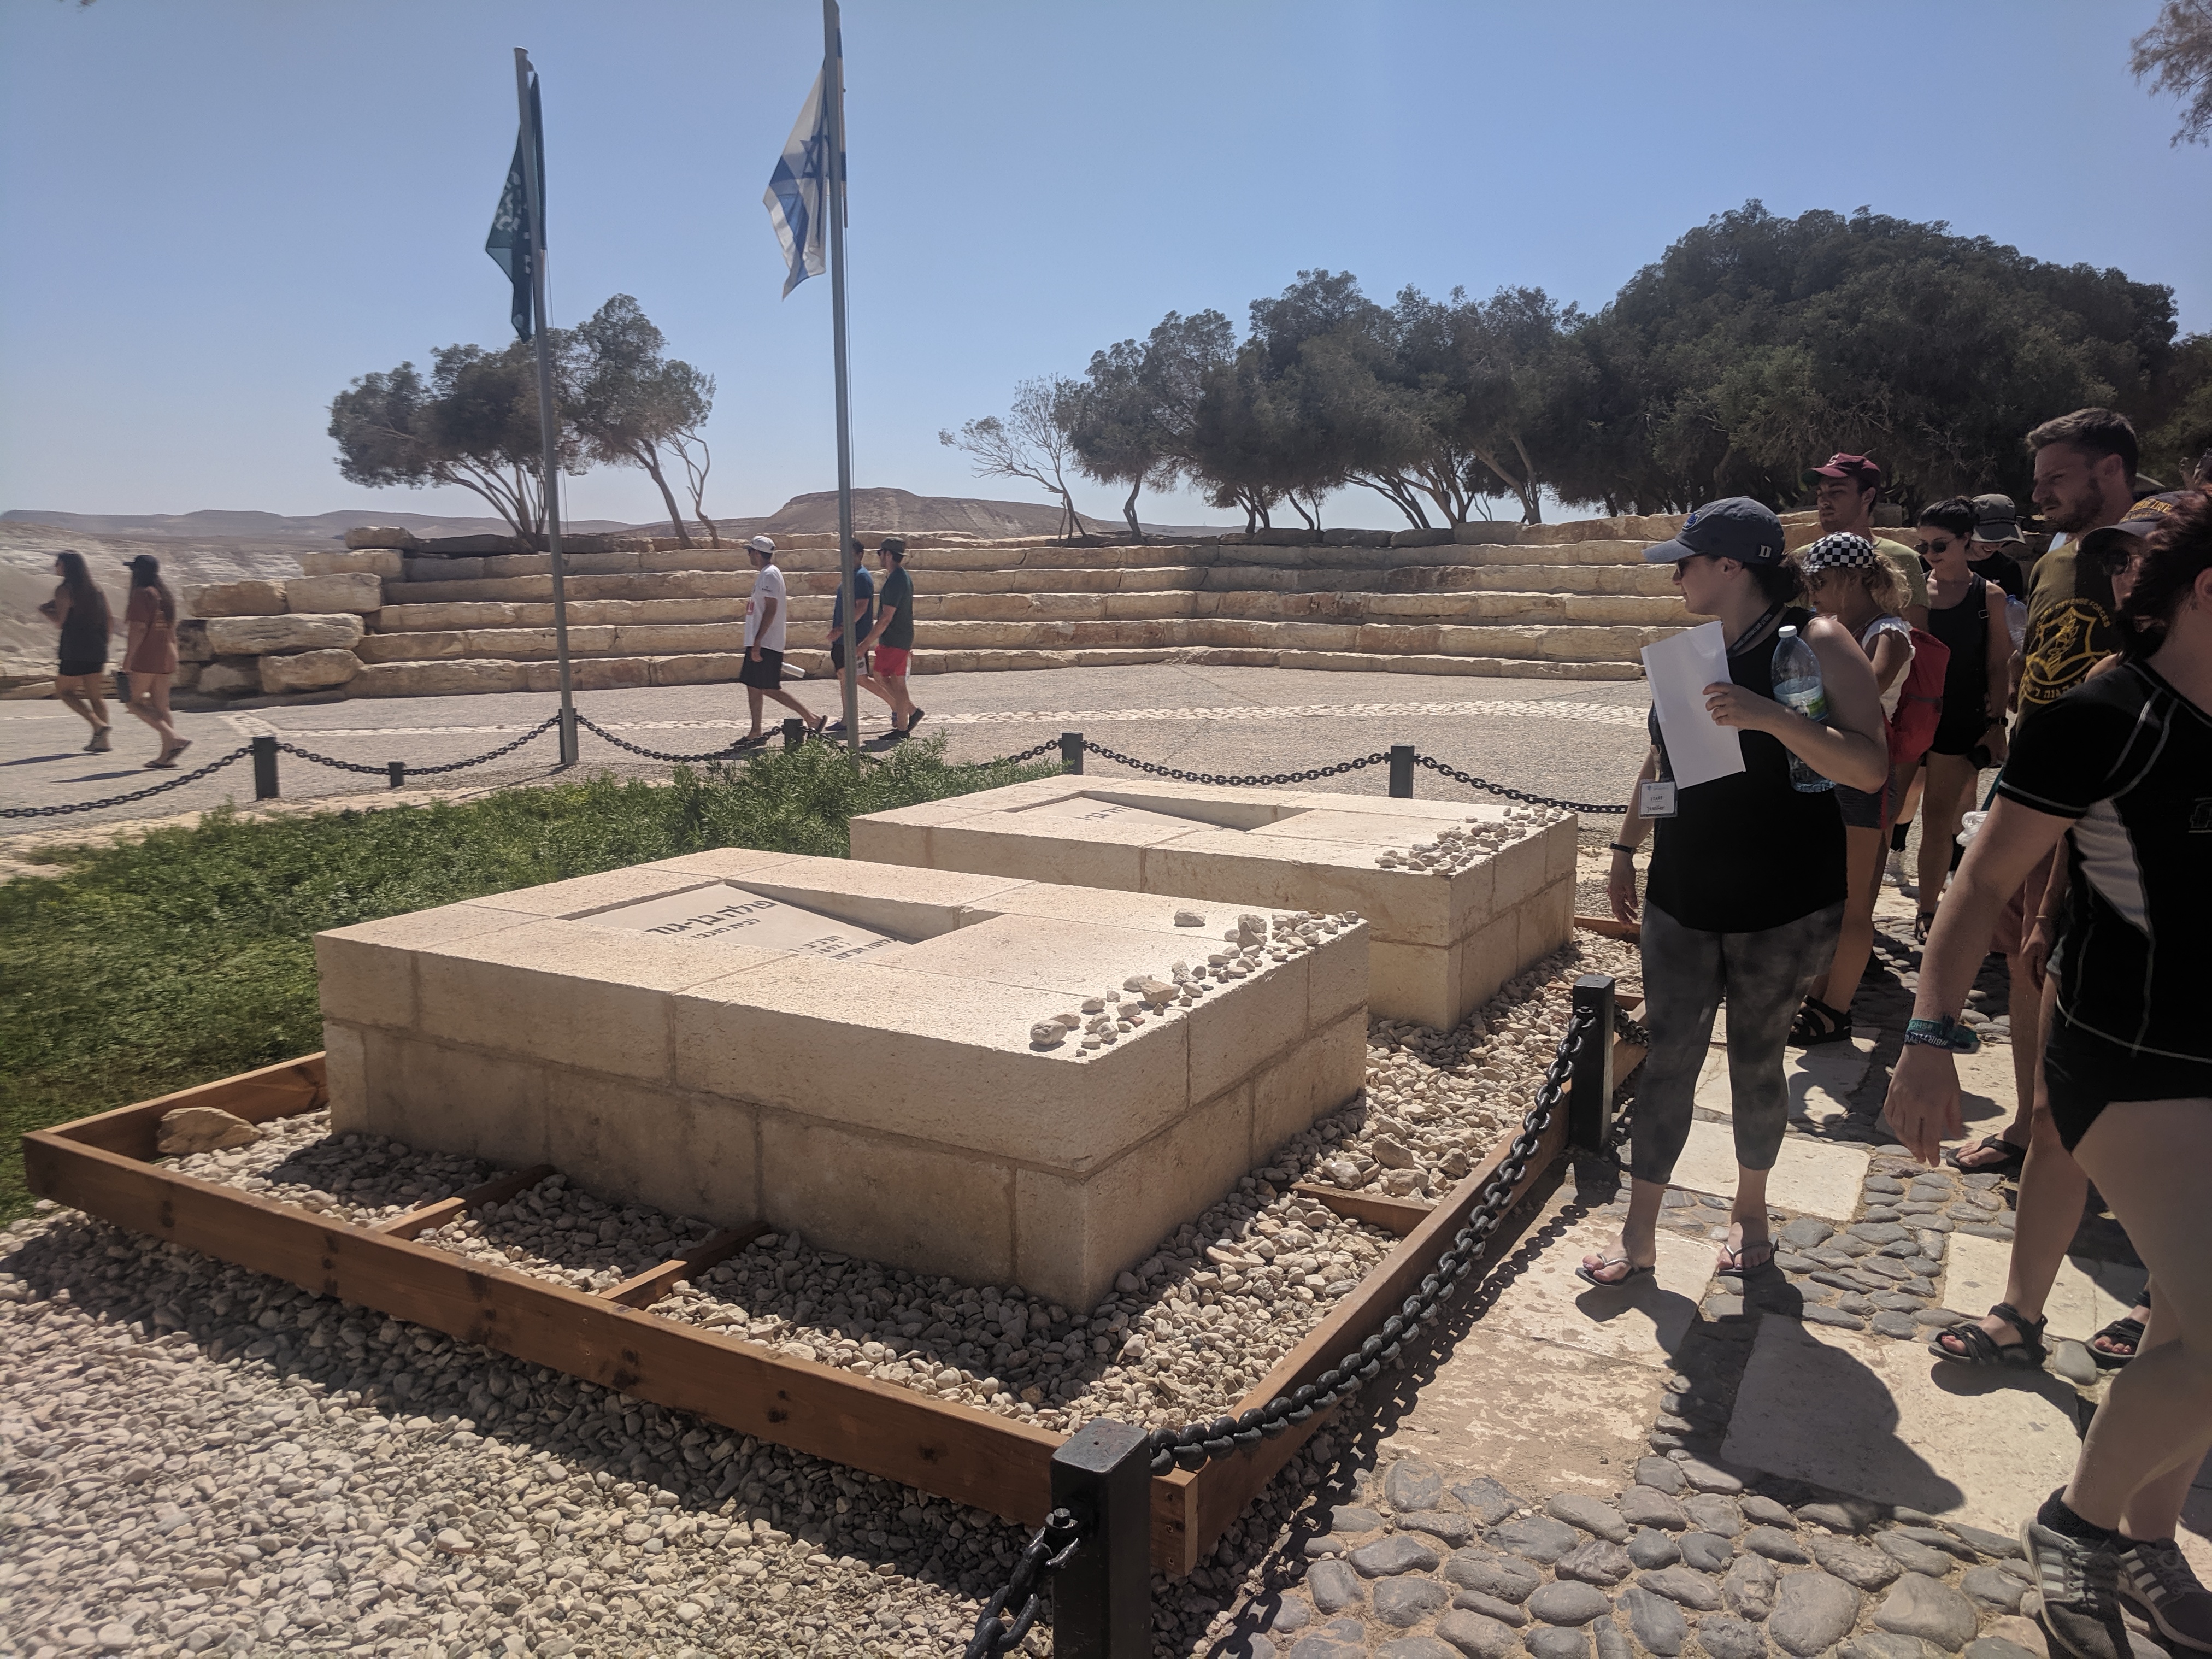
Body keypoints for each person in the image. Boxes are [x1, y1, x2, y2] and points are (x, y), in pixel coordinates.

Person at [1882, 488, 2212, 1659]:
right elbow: (1976, 883)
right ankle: (2074, 1527)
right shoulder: (2101, 718)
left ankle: (2147, 1538)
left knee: (2182, 1337)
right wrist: (1927, 1039)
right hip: (2125, 1063)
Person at [1585, 498, 1887, 1289]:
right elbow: (1664, 764)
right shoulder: (1690, 653)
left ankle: (1749, 1213)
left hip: (1781, 902)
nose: (1676, 573)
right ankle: (1639, 1232)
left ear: (1732, 567)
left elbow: (1868, 766)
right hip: (1683, 894)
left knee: (1758, 1065)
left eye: (1686, 561)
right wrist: (1626, 846)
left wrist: (1767, 717)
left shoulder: (1815, 641)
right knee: (1668, 1062)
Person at [1931, 497, 2192, 1382]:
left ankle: (2165, 1303)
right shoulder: (2103, 704)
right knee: (2050, 1130)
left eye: (2141, 563)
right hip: (2105, 984)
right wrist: (2041, 917)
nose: (2123, 577)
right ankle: (2018, 1312)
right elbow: (2031, 854)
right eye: (2115, 562)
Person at [1948, 409, 2140, 1177]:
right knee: (2030, 943)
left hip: (2125, 788)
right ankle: (2032, 1129)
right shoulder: (2059, 552)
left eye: (2058, 477)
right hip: (2040, 779)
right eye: (2038, 481)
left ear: (2111, 470)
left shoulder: (2158, 545)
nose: (2041, 494)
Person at [1789, 533, 1917, 1046]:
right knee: (1829, 896)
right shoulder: (1838, 630)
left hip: (1863, 776)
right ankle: (1820, 995)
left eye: (1820, 582)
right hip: (1829, 769)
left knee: (1856, 903)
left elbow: (1870, 689)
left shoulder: (1889, 632)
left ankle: (1834, 1009)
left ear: (1853, 577)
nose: (1813, 593)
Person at [1910, 497, 2013, 939]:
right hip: (1912, 714)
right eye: (1924, 546)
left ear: (1967, 540)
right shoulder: (1915, 592)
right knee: (1893, 812)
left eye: (1940, 544)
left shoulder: (1988, 596)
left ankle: (1929, 910)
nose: (1931, 554)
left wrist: (1997, 723)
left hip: (1959, 717)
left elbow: (1997, 664)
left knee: (1938, 817)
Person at [1803, 453, 1931, 631]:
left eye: (1837, 492)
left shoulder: (1902, 558)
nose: (1824, 501)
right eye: (1820, 493)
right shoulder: (1803, 558)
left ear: (1867, 496)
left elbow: (1918, 637)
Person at [736, 536, 822, 744]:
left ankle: (812, 719)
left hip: (766, 642)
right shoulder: (765, 575)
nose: (748, 554)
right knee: (753, 685)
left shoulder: (770, 575)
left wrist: (758, 642)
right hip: (759, 640)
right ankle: (756, 731)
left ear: (757, 553)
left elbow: (771, 610)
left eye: (750, 551)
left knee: (769, 687)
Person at [38, 550, 113, 752]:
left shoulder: (64, 589)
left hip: (75, 648)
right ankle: (103, 743)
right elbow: (109, 620)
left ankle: (98, 726)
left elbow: (60, 622)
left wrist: (45, 611)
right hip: (97, 647)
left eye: (58, 563)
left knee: (64, 691)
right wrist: (105, 643)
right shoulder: (96, 588)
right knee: (95, 696)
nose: (56, 567)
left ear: (66, 566)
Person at [120, 554, 188, 767]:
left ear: (137, 572)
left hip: (146, 657)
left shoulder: (141, 595)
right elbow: (171, 628)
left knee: (132, 702)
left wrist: (128, 660)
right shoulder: (164, 595)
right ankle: (167, 755)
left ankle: (174, 737)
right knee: (161, 706)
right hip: (166, 654)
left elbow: (138, 629)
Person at [858, 536, 921, 740]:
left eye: (880, 553)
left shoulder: (896, 580)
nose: (878, 557)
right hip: (899, 638)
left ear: (887, 554)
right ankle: (909, 713)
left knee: (889, 680)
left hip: (895, 639)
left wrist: (866, 643)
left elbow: (886, 618)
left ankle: (903, 726)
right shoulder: (900, 577)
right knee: (890, 680)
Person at [821, 539, 878, 736]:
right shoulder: (850, 576)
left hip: (853, 637)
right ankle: (847, 719)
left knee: (860, 678)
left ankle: (900, 706)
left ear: (860, 554)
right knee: (845, 677)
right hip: (844, 638)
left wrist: (841, 629)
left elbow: (861, 608)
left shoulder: (861, 577)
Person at [1968, 493, 2033, 601]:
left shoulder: (2009, 568)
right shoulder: (1940, 564)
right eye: (1989, 536)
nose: (1995, 545)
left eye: (2002, 537)